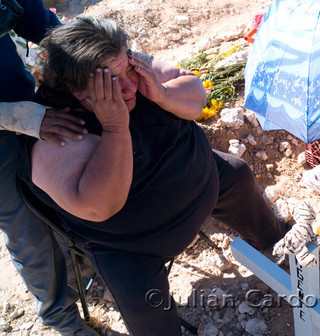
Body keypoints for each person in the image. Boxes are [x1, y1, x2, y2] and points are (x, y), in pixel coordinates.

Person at [17, 16, 290, 335]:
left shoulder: (129, 68)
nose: (130, 86)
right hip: (133, 247)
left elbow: (196, 96)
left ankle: (279, 247)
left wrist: (160, 92)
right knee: (145, 308)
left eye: (128, 69)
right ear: (75, 90)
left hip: (208, 180)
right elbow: (99, 207)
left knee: (237, 172)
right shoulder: (55, 133)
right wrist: (115, 127)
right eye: (112, 81)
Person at [0, 1, 98, 335]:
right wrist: (24, 118)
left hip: (27, 105)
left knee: (63, 189)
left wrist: (94, 49)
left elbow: (43, 25)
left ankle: (79, 272)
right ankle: (61, 317)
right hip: (17, 120)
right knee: (25, 223)